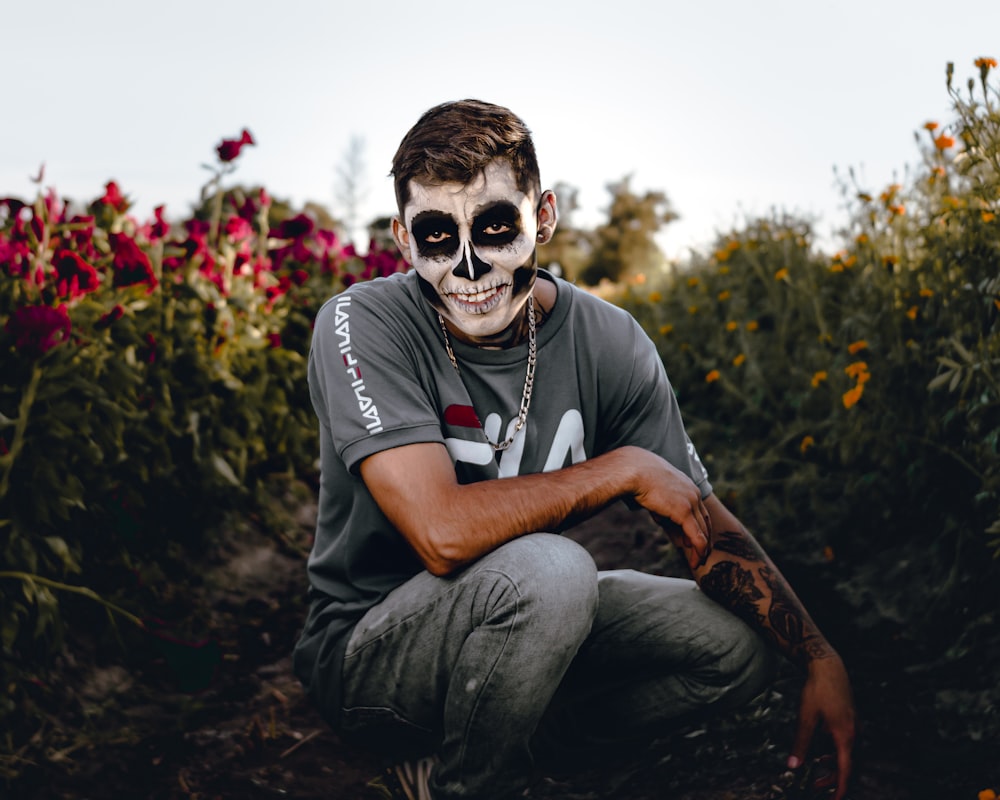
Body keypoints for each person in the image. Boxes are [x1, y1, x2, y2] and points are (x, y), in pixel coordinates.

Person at [293, 98, 856, 800]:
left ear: (545, 217)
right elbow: (440, 533)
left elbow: (698, 518)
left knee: (736, 647)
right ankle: (464, 783)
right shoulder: (362, 320)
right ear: (404, 241)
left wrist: (816, 654)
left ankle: (524, 738)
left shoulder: (607, 338)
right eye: (438, 236)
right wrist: (619, 470)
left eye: (496, 228)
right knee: (556, 571)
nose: (470, 269)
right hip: (370, 655)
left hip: (514, 613)